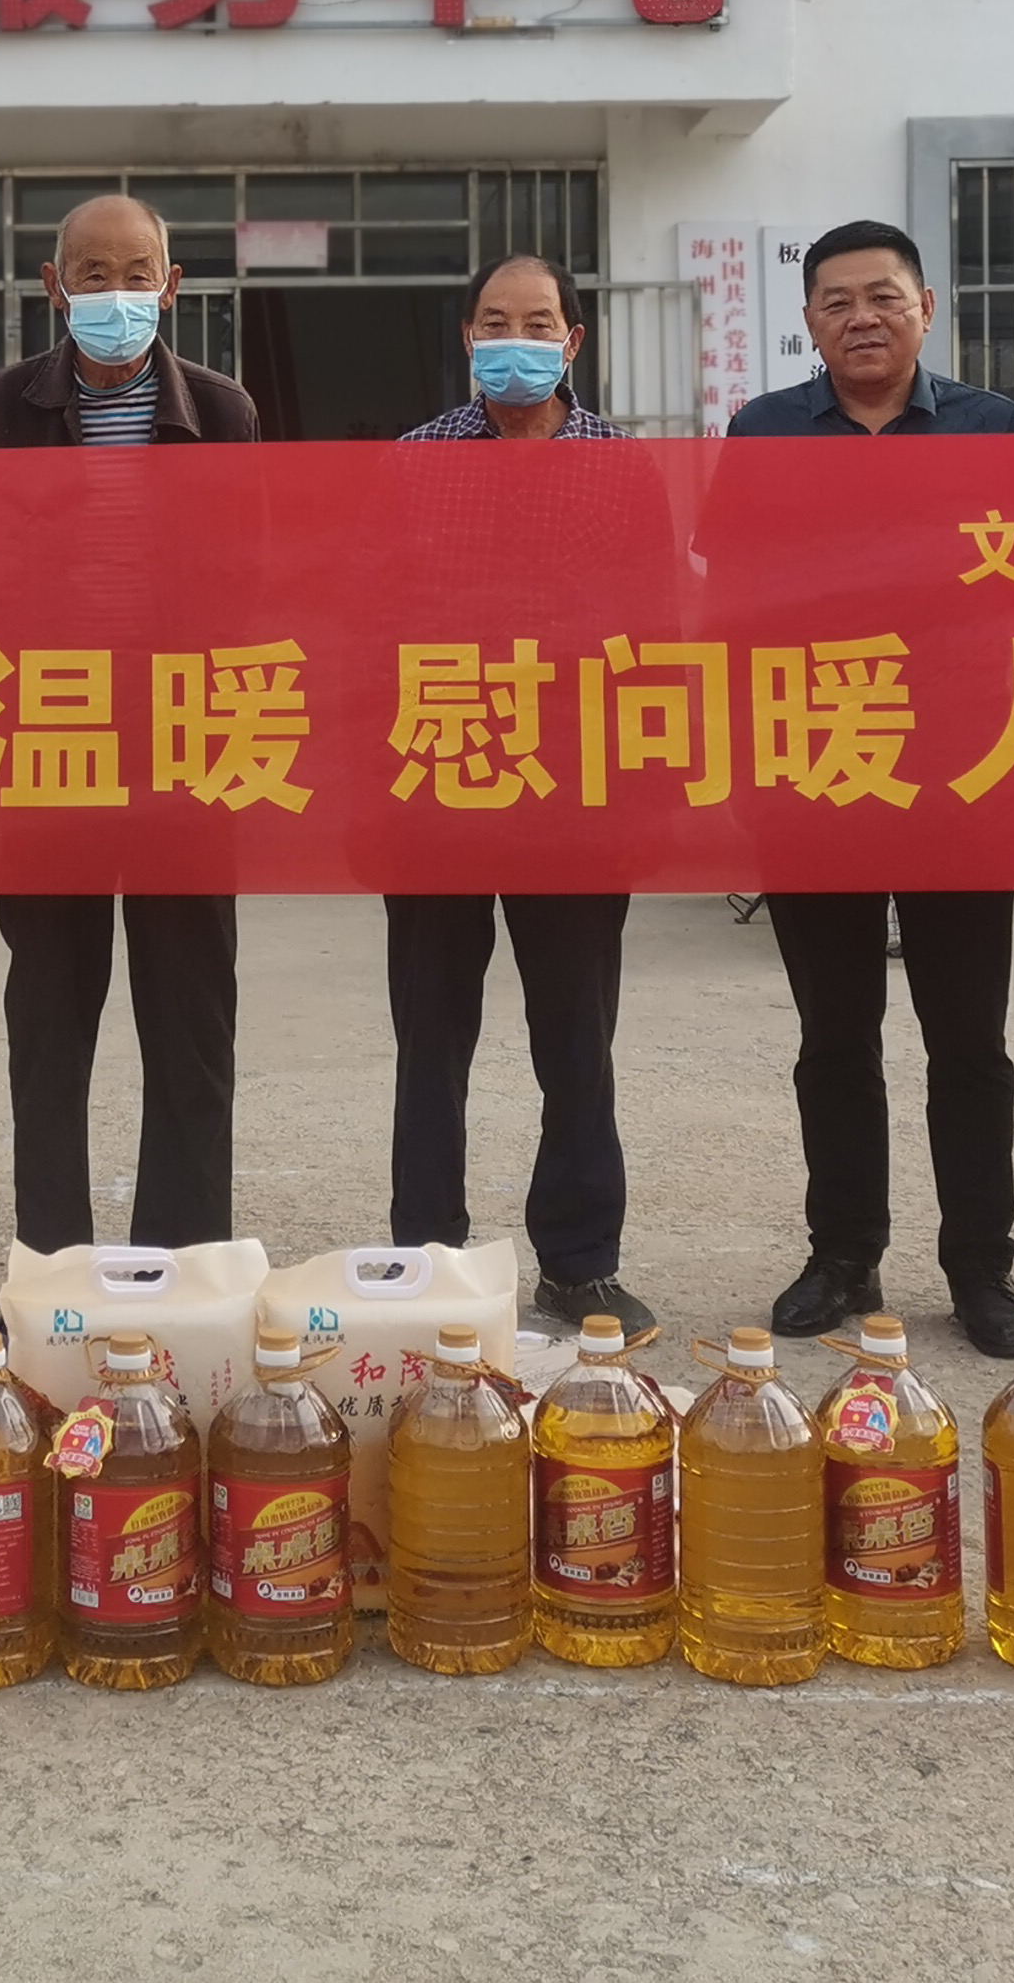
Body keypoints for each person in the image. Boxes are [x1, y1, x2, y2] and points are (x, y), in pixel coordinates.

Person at [723, 220, 1014, 1357]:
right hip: (819, 762)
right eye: (838, 301)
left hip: (964, 775)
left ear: (925, 308)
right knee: (834, 1035)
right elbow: (735, 597)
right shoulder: (762, 432)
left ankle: (981, 1267)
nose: (862, 318)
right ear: (809, 320)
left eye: (883, 297)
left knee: (970, 1042)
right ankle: (844, 1254)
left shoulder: (993, 427)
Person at [0, 192, 261, 1250]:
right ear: (56, 287)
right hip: (53, 745)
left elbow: (247, 579)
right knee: (48, 1022)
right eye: (94, 275)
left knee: (190, 1021)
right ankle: (54, 1260)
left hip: (185, 746)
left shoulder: (223, 412)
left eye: (137, 275)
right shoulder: (5, 407)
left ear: (170, 287)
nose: (117, 294)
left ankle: (184, 1260)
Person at [384, 256, 656, 1343]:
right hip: (438, 778)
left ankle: (580, 1266)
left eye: (537, 323)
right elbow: (369, 616)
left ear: (572, 342)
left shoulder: (623, 465)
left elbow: (654, 630)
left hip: (574, 793)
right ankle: (427, 1256)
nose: (516, 341)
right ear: (466, 337)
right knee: (430, 1037)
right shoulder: (412, 460)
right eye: (495, 323)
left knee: (576, 1037)